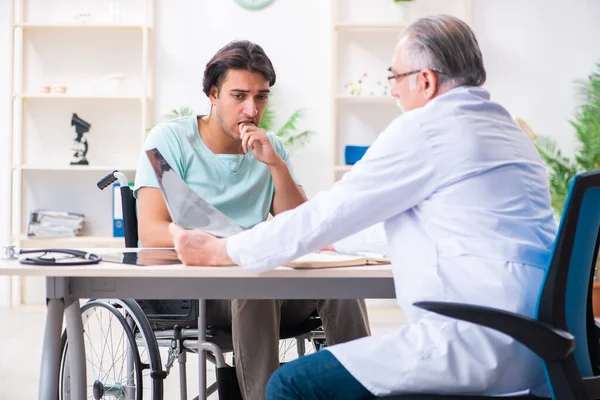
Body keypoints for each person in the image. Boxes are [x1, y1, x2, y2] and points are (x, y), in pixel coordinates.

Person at [168, 15, 557, 400]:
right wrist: (338, 242)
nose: (393, 92)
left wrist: (221, 250)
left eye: (395, 77)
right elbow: (445, 227)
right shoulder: (509, 132)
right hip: (543, 348)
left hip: (472, 345)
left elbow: (326, 214)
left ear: (425, 80)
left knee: (288, 385)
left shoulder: (424, 130)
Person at [134, 40, 371, 400]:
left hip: (270, 290)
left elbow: (302, 228)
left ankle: (361, 390)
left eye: (261, 97)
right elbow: (151, 232)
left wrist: (274, 164)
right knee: (253, 278)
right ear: (213, 94)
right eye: (239, 96)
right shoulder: (170, 140)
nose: (251, 109)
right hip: (201, 296)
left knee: (340, 283)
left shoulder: (271, 146)